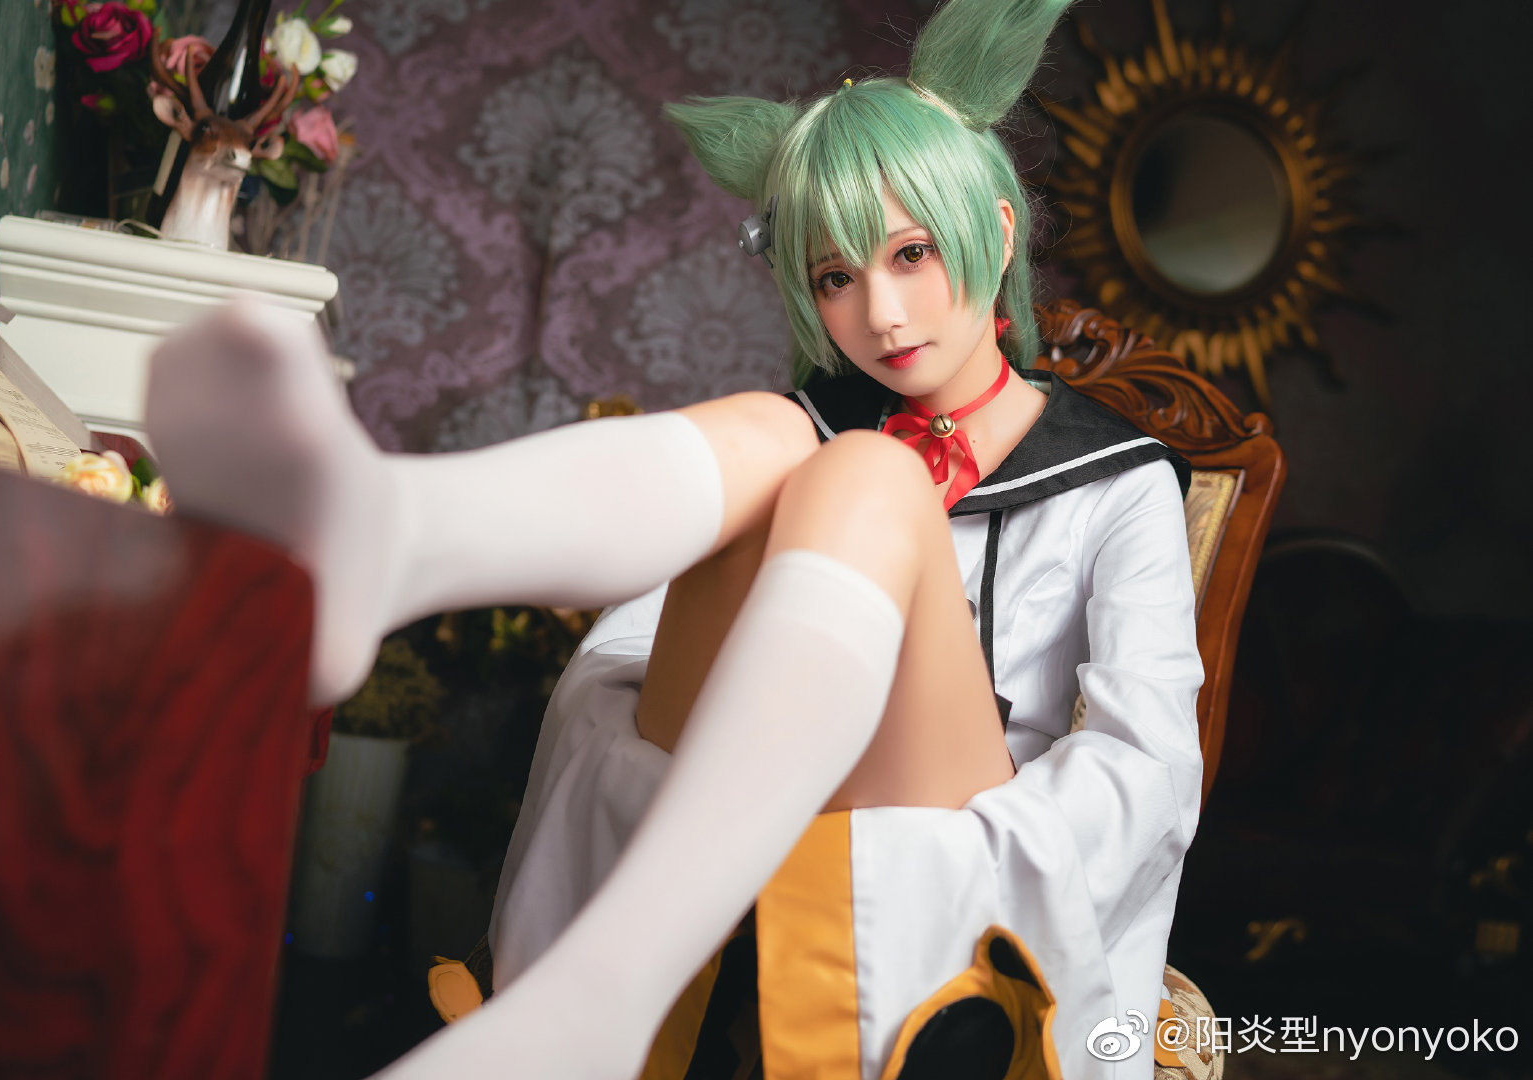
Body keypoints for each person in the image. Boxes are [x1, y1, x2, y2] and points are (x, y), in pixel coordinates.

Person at [143, 0, 1202, 1076]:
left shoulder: (1118, 484)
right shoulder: (804, 430)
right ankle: (390, 534)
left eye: (912, 253)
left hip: (952, 857)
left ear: (999, 231)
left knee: (864, 468)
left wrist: (970, 839)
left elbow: (1148, 771)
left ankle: (610, 982)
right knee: (782, 433)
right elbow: (633, 638)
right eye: (835, 278)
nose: (881, 315)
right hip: (748, 797)